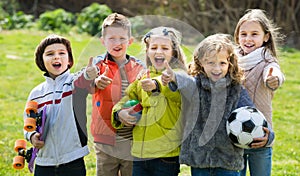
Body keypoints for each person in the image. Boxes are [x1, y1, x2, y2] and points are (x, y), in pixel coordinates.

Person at [161, 33, 274, 176]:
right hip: (200, 160)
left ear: (230, 63)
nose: (217, 68)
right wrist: (173, 77)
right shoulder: (196, 85)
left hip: (228, 160)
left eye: (222, 63)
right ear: (200, 62)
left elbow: (253, 115)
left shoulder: (236, 90)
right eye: (211, 63)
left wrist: (269, 135)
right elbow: (184, 82)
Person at [111, 26, 187, 176]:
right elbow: (128, 97)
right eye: (154, 47)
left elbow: (176, 94)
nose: (158, 52)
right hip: (140, 154)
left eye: (165, 48)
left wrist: (157, 85)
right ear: (147, 51)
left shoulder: (179, 75)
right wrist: (119, 113)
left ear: (173, 53)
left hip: (166, 156)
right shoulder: (142, 76)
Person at [24, 34, 99, 176]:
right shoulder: (36, 93)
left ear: (69, 60)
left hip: (73, 159)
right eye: (50, 54)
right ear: (41, 60)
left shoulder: (73, 83)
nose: (56, 57)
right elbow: (29, 121)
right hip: (44, 161)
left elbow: (83, 80)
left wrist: (89, 74)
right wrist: (32, 135)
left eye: (62, 53)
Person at [90, 13, 145, 176]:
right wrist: (94, 82)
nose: (117, 43)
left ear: (130, 41)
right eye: (112, 38)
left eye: (122, 38)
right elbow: (82, 85)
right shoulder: (97, 65)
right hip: (105, 141)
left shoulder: (139, 67)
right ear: (103, 41)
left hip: (132, 139)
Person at [233, 9, 285, 176]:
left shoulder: (267, 61)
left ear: (266, 37)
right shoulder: (231, 61)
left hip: (261, 136)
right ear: (237, 36)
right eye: (244, 34)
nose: (248, 39)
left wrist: (274, 78)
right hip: (234, 137)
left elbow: (274, 72)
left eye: (254, 34)